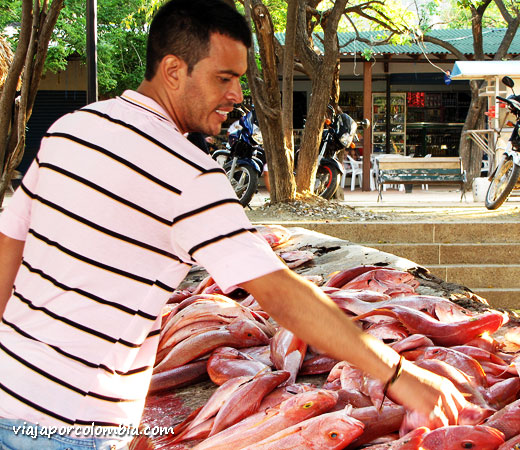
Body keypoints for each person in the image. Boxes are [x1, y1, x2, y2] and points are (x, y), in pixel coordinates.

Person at [0, 1, 465, 448]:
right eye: (224, 78)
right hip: (74, 426)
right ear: (173, 70)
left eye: (239, 80)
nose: (237, 96)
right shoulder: (188, 173)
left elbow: (8, 244)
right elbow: (281, 294)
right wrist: (400, 375)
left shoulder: (69, 128)